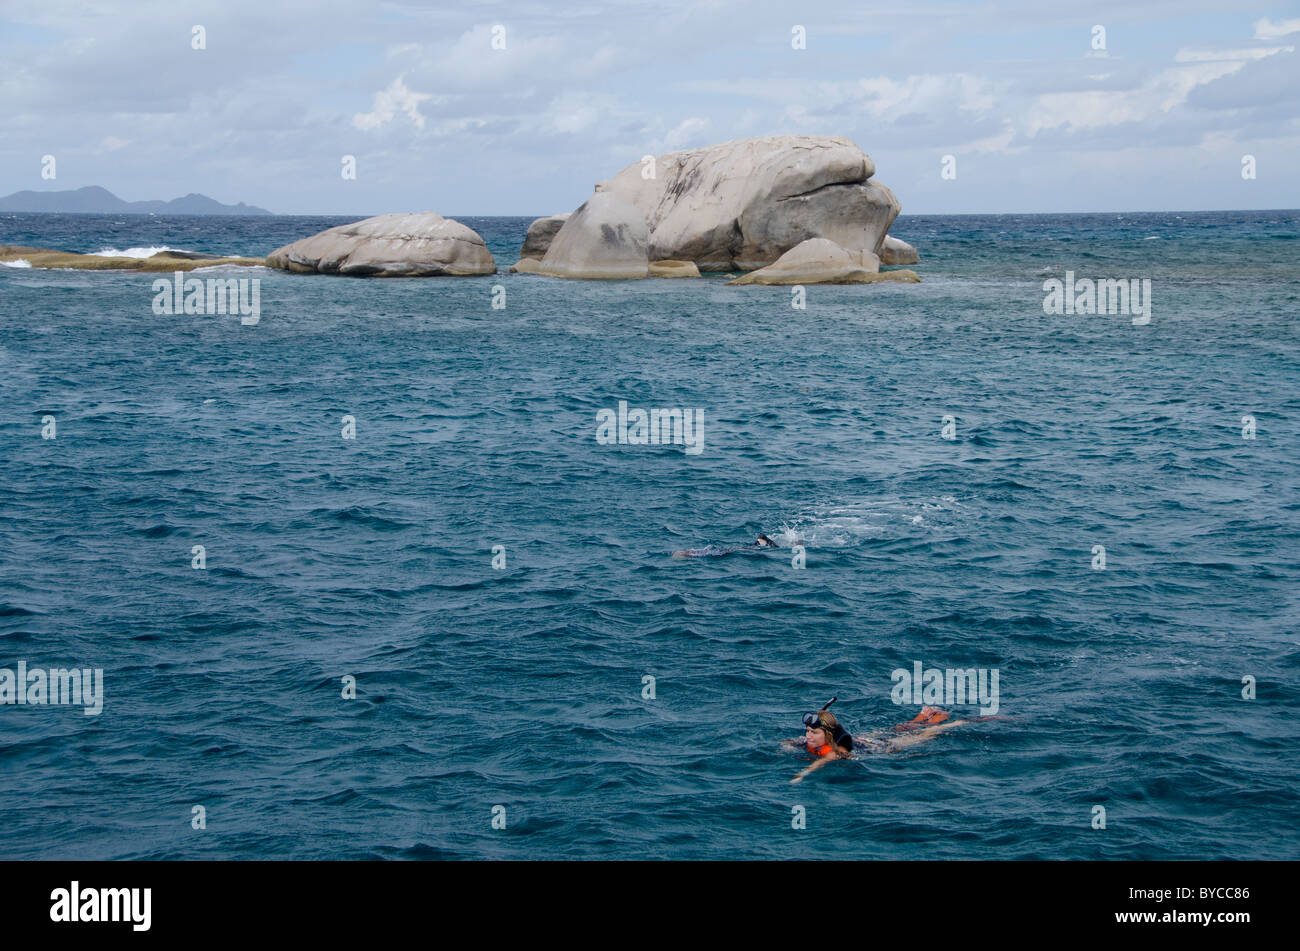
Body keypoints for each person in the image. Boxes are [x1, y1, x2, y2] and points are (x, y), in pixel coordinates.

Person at [786, 703, 981, 783]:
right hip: (863, 740)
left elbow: (819, 763)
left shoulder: (834, 752)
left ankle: (952, 722)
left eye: (814, 732)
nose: (809, 736)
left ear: (828, 735)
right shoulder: (811, 739)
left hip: (878, 747)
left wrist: (800, 775)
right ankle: (922, 715)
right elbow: (788, 742)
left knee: (924, 736)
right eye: (808, 731)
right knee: (893, 730)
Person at [672, 533, 782, 558]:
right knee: (752, 547)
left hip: (732, 550)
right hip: (730, 549)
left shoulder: (699, 554)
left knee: (752, 548)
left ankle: (763, 540)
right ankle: (762, 540)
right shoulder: (698, 552)